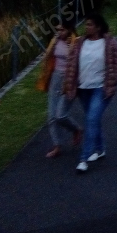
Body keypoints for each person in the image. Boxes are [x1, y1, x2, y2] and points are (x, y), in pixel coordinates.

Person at [64, 12, 117, 173]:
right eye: (86, 24)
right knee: (93, 120)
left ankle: (83, 159)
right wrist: (69, 83)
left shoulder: (109, 43)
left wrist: (114, 80)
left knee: (91, 119)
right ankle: (100, 149)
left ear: (98, 27)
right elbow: (71, 63)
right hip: (83, 88)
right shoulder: (79, 43)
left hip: (101, 88)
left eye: (90, 24)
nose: (86, 27)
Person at [41, 20, 83, 159]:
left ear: (69, 30)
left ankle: (76, 129)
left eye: (62, 30)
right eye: (58, 29)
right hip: (55, 78)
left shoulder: (76, 43)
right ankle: (57, 145)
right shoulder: (55, 40)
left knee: (60, 115)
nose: (59, 32)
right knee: (51, 116)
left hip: (70, 79)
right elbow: (48, 57)